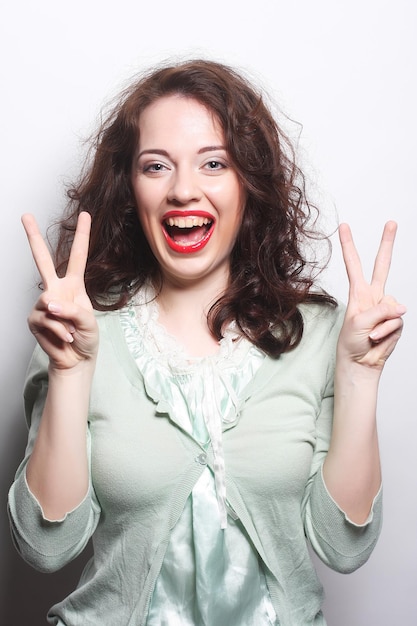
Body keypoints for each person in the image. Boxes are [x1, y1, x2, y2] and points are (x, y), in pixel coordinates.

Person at [8, 59, 404, 626]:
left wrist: (361, 375)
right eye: (156, 166)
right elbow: (46, 548)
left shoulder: (320, 335)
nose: (183, 189)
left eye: (213, 163)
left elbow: (344, 547)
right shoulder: (79, 327)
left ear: (249, 183)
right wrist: (69, 373)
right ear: (130, 190)